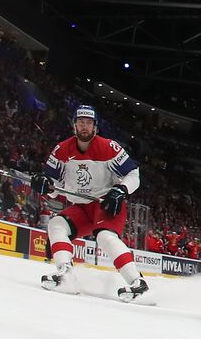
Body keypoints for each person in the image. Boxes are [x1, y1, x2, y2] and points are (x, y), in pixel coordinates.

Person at [33, 105, 149, 302]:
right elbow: (53, 187)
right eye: (81, 122)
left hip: (106, 204)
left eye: (88, 123)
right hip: (80, 207)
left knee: (105, 237)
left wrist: (121, 190)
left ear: (95, 127)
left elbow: (133, 173)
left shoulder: (108, 147)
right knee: (56, 224)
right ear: (74, 126)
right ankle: (65, 274)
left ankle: (138, 283)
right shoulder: (61, 150)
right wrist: (44, 185)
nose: (84, 126)